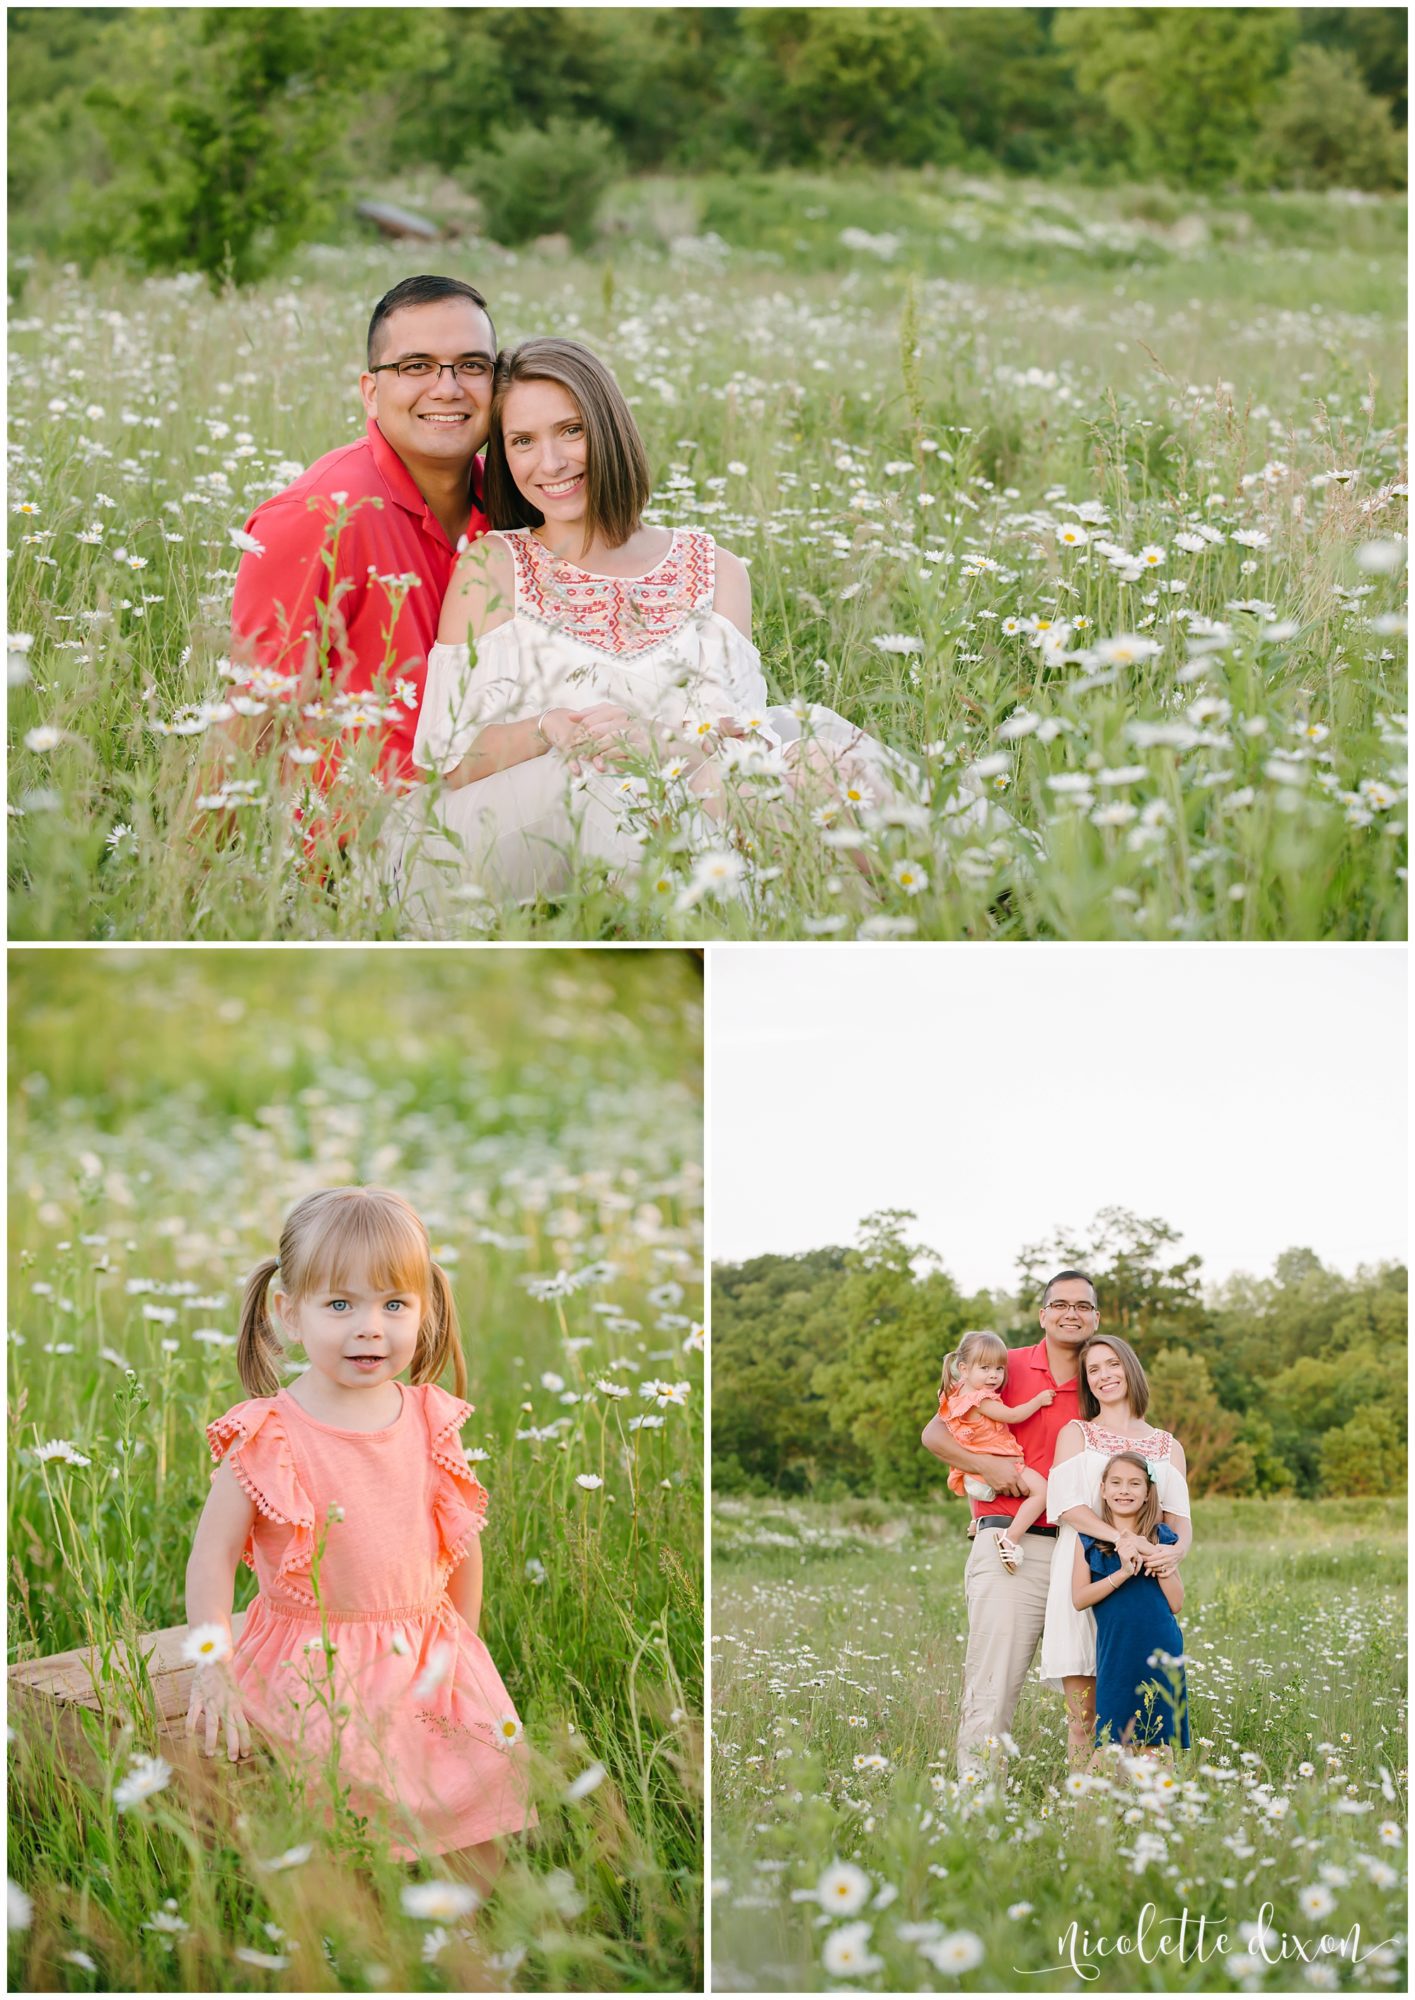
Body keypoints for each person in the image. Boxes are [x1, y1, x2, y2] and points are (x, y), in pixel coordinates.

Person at [385, 336, 950, 918]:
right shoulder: (493, 567)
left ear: (609, 429)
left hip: (691, 793)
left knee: (817, 751)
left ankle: (921, 903)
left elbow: (740, 738)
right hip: (507, 824)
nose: (550, 463)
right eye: (522, 441)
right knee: (621, 788)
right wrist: (550, 727)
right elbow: (451, 764)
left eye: (571, 430)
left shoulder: (716, 569)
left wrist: (663, 744)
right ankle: (856, 911)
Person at [184, 1187, 532, 1878]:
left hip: (427, 1642)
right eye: (340, 1305)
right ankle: (354, 1922)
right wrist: (211, 1664)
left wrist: (461, 1648)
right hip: (313, 1656)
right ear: (289, 1313)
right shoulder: (269, 1433)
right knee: (353, 1788)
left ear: (425, 1312)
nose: (370, 1328)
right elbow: (212, 1557)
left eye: (393, 1305)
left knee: (485, 1776)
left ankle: (466, 1923)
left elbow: (459, 1543)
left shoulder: (428, 1418)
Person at [221, 276, 497, 793]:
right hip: (363, 823)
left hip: (488, 795)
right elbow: (250, 722)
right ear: (371, 393)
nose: (448, 388)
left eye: (473, 366)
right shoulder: (320, 516)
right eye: (416, 366)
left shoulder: (518, 505)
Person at [921, 1269, 1091, 1780]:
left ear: (1096, 1317)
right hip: (1013, 1544)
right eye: (1060, 1304)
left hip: (1083, 1551)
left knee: (1092, 1691)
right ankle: (976, 1804)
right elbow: (936, 1433)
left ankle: (1095, 1805)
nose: (1071, 1314)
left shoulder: (1103, 1373)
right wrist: (986, 1468)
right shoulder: (1003, 1364)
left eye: (1083, 1306)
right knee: (993, 1687)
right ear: (1043, 1314)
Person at [1039, 1331, 1190, 1765]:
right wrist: (1121, 1538)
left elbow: (1179, 1522)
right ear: (1087, 1382)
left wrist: (1174, 1553)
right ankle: (1083, 1802)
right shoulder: (1077, 1434)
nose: (1104, 1375)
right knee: (1084, 1716)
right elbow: (1065, 1506)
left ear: (1130, 1368)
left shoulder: (1167, 1446)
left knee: (1142, 1713)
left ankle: (1136, 1797)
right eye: (1093, 1370)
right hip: (1085, 1569)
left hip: (1143, 1584)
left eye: (1112, 1364)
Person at [1073, 1452, 1189, 1754]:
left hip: (1159, 1646)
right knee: (1110, 1743)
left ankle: (1157, 1785)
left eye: (1135, 1483)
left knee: (1156, 1744)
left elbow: (1176, 1602)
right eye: (1116, 1483)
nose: (1124, 1490)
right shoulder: (1088, 1539)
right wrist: (1123, 1573)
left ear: (1148, 1493)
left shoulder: (1161, 1538)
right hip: (1116, 1648)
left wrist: (1148, 1549)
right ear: (1103, 1490)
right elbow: (1079, 1599)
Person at [935, 1330, 1054, 1573]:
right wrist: (1038, 1401)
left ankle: (974, 1521)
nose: (994, 1375)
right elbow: (1013, 1415)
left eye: (999, 1369)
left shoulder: (956, 1394)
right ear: (964, 1369)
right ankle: (1010, 1538)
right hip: (999, 1459)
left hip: (970, 1468)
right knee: (1042, 1492)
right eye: (985, 1368)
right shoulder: (981, 1400)